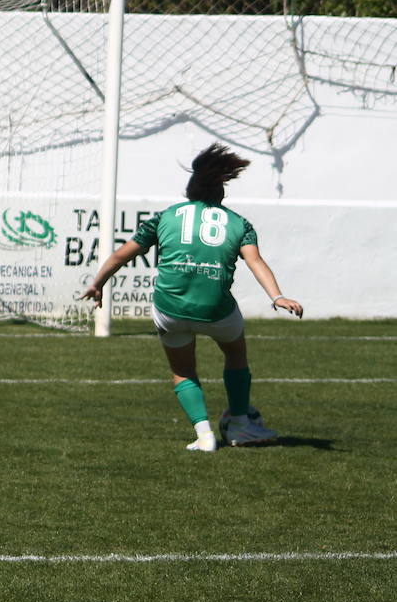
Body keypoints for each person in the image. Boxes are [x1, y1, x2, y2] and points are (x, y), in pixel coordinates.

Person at [80, 143, 303, 452]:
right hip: (217, 311)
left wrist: (98, 284)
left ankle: (204, 435)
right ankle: (239, 423)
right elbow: (255, 261)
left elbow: (120, 255)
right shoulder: (240, 224)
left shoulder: (165, 217)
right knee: (236, 356)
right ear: (221, 192)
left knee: (183, 370)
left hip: (170, 308)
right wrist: (277, 296)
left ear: (189, 191)